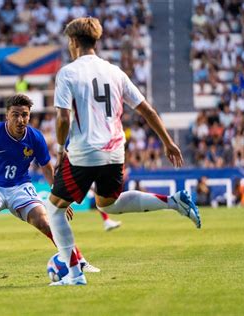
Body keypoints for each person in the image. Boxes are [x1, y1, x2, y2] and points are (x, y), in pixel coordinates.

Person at [45, 17, 201, 286]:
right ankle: (175, 201)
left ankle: (74, 275)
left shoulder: (68, 73)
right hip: (115, 152)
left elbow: (62, 118)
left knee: (55, 210)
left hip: (84, 151)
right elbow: (147, 110)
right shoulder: (115, 72)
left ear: (73, 42)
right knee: (109, 204)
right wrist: (167, 141)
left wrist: (60, 149)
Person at [0, 94, 99, 274]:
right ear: (7, 116)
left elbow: (47, 168)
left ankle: (79, 261)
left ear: (29, 116)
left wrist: (59, 197)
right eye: (15, 114)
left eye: (24, 114)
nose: (20, 119)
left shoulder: (35, 137)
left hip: (20, 187)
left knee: (45, 221)